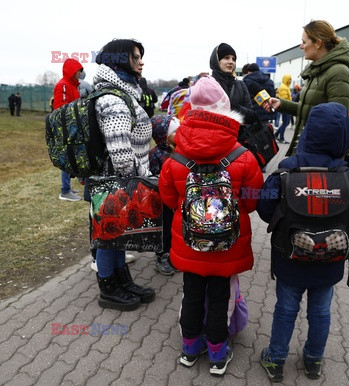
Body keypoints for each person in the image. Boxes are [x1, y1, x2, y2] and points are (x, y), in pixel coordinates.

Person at [256, 102, 349, 382]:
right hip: (330, 260)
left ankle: (275, 360)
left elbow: (263, 209)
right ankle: (313, 361)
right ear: (345, 139)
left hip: (290, 258)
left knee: (285, 310)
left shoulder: (286, 170)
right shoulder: (348, 175)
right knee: (320, 312)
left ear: (306, 133)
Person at [159, 76, 263, 376]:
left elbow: (168, 199)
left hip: (189, 243)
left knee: (191, 293)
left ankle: (190, 349)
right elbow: (253, 200)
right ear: (225, 111)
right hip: (227, 245)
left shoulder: (175, 157)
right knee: (221, 297)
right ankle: (218, 355)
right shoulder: (243, 156)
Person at [92, 38, 155, 311]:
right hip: (115, 179)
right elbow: (120, 153)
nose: (141, 61)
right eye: (136, 57)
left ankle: (122, 280)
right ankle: (108, 288)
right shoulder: (113, 99)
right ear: (119, 60)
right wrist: (136, 182)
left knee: (117, 234)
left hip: (121, 178)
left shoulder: (124, 92)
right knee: (108, 235)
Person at [263, 20, 349, 156]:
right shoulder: (317, 70)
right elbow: (309, 109)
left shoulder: (337, 71)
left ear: (318, 43)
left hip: (317, 153)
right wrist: (282, 104)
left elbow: (337, 121)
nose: (301, 46)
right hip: (306, 147)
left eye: (304, 42)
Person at [149, 114, 179, 275]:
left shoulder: (178, 151)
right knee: (163, 229)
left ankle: (172, 253)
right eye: (176, 131)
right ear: (163, 136)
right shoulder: (155, 155)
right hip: (161, 201)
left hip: (175, 200)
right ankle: (161, 256)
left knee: (174, 228)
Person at [53, 58, 84, 202]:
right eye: (78, 70)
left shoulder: (72, 86)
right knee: (67, 157)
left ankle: (68, 187)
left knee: (72, 157)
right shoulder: (63, 86)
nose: (80, 74)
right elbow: (61, 109)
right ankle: (65, 191)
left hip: (72, 126)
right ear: (71, 71)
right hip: (66, 128)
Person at [209, 42, 257, 125]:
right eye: (226, 58)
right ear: (217, 61)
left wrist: (235, 107)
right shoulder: (207, 85)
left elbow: (252, 116)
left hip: (237, 136)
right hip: (211, 136)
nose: (231, 62)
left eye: (233, 59)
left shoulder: (240, 85)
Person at [273, 74, 293, 144]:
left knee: (286, 122)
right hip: (286, 107)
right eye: (289, 79)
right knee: (285, 122)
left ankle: (275, 135)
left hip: (286, 107)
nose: (291, 80)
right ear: (286, 79)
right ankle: (281, 138)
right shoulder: (284, 87)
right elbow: (284, 99)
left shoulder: (285, 87)